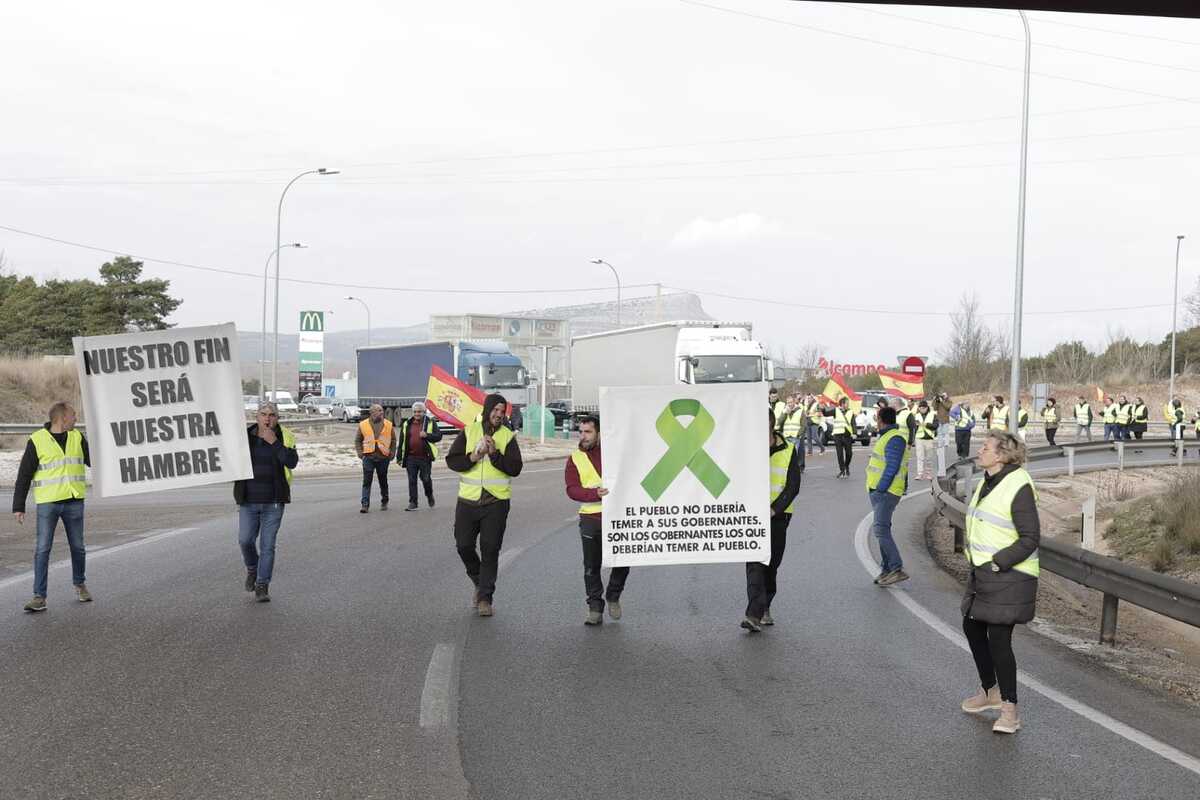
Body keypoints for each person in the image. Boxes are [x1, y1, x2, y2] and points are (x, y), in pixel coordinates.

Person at [960, 431, 1040, 735]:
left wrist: (999, 562)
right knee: (971, 625)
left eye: (985, 447)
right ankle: (990, 691)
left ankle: (1010, 711)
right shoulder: (988, 480)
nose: (980, 451)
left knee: (999, 640)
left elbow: (1030, 537)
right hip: (984, 573)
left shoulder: (1018, 484)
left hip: (1009, 575)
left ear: (1003, 455)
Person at [446, 394, 523, 617]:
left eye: (502, 411)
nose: (499, 414)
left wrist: (494, 454)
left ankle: (485, 598)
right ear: (488, 409)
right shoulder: (469, 432)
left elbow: (515, 468)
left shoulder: (508, 437)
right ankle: (479, 581)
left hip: (495, 503)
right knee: (464, 546)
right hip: (467, 501)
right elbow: (453, 461)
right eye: (496, 410)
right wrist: (474, 455)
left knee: (490, 550)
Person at [13, 402, 91, 613]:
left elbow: (98, 461)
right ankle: (39, 597)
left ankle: (80, 584)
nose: (76, 419)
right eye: (73, 416)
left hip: (74, 500)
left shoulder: (78, 437)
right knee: (42, 549)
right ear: (62, 419)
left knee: (78, 547)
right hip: (48, 503)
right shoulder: (37, 440)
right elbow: (24, 474)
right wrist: (18, 506)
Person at [564, 414, 629, 625]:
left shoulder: (613, 453)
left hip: (618, 515)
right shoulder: (575, 458)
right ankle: (595, 607)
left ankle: (613, 595)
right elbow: (572, 489)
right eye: (581, 431)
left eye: (588, 432)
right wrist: (594, 494)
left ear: (599, 433)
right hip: (591, 516)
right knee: (591, 565)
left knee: (623, 560)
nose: (583, 436)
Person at [743, 409, 804, 633]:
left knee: (771, 565)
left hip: (779, 516)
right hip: (752, 517)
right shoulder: (747, 447)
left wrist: (774, 509)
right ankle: (753, 614)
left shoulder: (788, 449)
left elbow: (793, 486)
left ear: (771, 422)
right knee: (754, 564)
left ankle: (764, 605)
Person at [233, 402, 299, 602]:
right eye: (264, 414)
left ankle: (262, 585)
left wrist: (275, 443)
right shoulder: (244, 436)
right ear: (257, 416)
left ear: (277, 418)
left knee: (268, 545)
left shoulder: (285, 436)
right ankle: (252, 569)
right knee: (245, 540)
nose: (267, 418)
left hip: (274, 502)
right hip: (248, 500)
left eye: (272, 415)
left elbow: (292, 462)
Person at [866, 406, 910, 586]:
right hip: (881, 492)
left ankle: (895, 568)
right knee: (882, 529)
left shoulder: (895, 438)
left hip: (887, 492)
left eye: (877, 418)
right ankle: (886, 570)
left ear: (880, 419)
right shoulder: (887, 436)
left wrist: (881, 489)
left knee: (880, 530)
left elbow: (892, 467)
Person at [398, 401, 443, 511]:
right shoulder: (407, 423)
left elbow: (438, 436)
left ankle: (429, 495)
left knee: (426, 479)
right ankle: (413, 502)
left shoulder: (430, 422)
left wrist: (427, 435)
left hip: (425, 457)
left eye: (419, 412)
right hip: (411, 458)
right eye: (415, 412)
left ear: (424, 412)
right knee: (412, 480)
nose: (417, 414)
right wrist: (399, 457)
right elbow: (402, 440)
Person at [355, 404, 398, 513]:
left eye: (382, 410)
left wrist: (392, 453)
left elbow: (393, 440)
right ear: (372, 412)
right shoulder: (363, 425)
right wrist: (360, 453)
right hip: (368, 457)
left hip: (383, 457)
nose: (381, 412)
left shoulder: (388, 424)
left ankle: (385, 500)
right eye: (379, 410)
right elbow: (358, 440)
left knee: (383, 481)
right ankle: (365, 505)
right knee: (366, 482)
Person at [913, 400, 937, 481]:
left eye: (923, 408)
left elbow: (935, 426)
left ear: (927, 408)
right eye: (920, 408)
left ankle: (928, 473)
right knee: (920, 457)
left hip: (929, 438)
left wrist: (926, 424)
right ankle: (920, 474)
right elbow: (914, 428)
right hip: (919, 438)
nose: (922, 409)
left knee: (929, 457)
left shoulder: (932, 415)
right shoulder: (917, 415)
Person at [832, 397, 856, 478]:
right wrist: (822, 409)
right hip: (838, 435)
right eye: (847, 403)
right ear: (842, 404)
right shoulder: (836, 410)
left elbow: (853, 423)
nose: (848, 404)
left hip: (847, 436)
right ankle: (842, 470)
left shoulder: (850, 412)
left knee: (849, 453)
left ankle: (846, 466)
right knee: (840, 454)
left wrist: (855, 433)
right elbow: (826, 413)